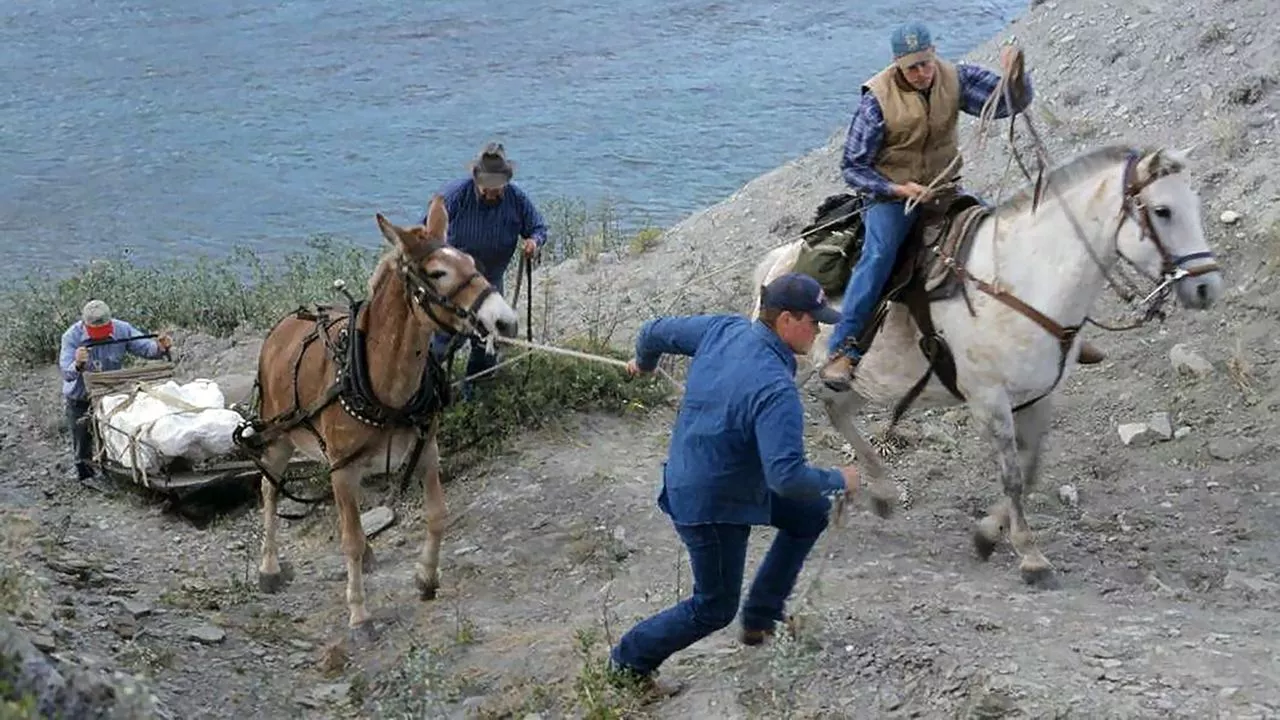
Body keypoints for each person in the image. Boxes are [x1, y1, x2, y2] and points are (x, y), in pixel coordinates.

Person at [606, 272, 861, 700]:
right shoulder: (776, 389)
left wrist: (644, 363)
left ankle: (761, 616)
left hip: (722, 478)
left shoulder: (723, 328)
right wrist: (840, 479)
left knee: (809, 513)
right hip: (710, 503)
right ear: (785, 321)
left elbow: (652, 331)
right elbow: (787, 476)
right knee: (712, 607)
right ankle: (628, 663)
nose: (819, 329)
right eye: (813, 320)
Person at [819, 21, 1105, 391]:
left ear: (934, 52)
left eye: (926, 63)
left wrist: (1015, 75)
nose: (922, 73)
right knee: (878, 257)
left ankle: (1061, 332)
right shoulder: (876, 100)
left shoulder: (956, 78)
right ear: (897, 65)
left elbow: (1009, 103)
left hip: (944, 189)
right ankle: (844, 350)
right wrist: (896, 188)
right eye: (912, 68)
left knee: (1005, 236)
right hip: (891, 197)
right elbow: (853, 167)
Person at [426, 142, 548, 393]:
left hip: (491, 281)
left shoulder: (516, 199)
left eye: (497, 185)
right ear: (476, 179)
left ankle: (476, 393)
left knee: (489, 339)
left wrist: (533, 242)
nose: (492, 191)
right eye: (487, 186)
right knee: (444, 341)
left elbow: (538, 227)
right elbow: (428, 235)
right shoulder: (454, 196)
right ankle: (429, 387)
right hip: (457, 286)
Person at [58, 300, 172, 484]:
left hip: (111, 394)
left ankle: (115, 472)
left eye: (103, 330)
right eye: (96, 333)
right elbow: (66, 373)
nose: (100, 337)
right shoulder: (71, 336)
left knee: (115, 433)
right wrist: (78, 363)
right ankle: (85, 477)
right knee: (82, 440)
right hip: (80, 396)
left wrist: (160, 347)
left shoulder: (122, 329)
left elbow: (145, 348)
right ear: (85, 325)